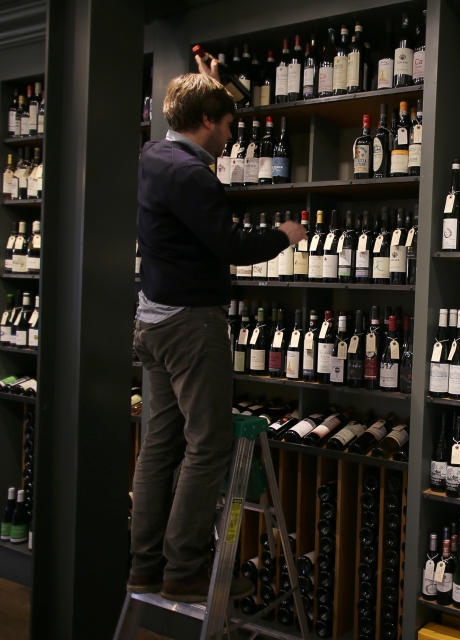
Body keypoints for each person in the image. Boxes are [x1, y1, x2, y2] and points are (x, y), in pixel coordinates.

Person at [127, 61, 307, 602]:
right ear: (206, 120)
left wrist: (212, 77)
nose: (231, 136)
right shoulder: (192, 175)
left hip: (150, 320)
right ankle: (184, 569)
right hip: (190, 324)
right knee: (208, 445)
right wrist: (283, 234)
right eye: (228, 125)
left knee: (159, 444)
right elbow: (230, 245)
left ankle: (144, 565)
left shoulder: (154, 156)